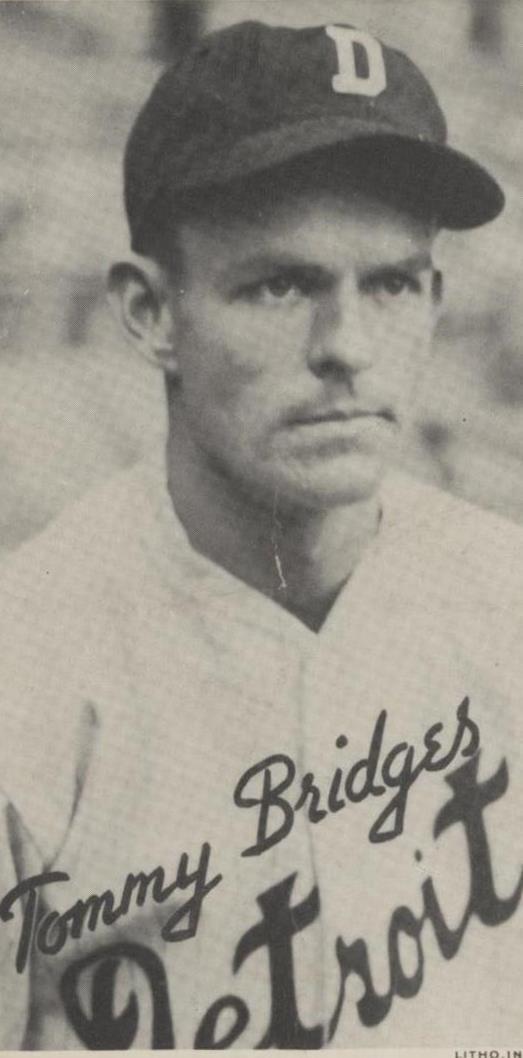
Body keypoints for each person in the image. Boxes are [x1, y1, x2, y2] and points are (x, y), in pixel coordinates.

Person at [0, 17, 521, 1051]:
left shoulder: (504, 600)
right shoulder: (29, 661)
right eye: (281, 285)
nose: (347, 347)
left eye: (391, 283)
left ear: (434, 300)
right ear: (151, 312)